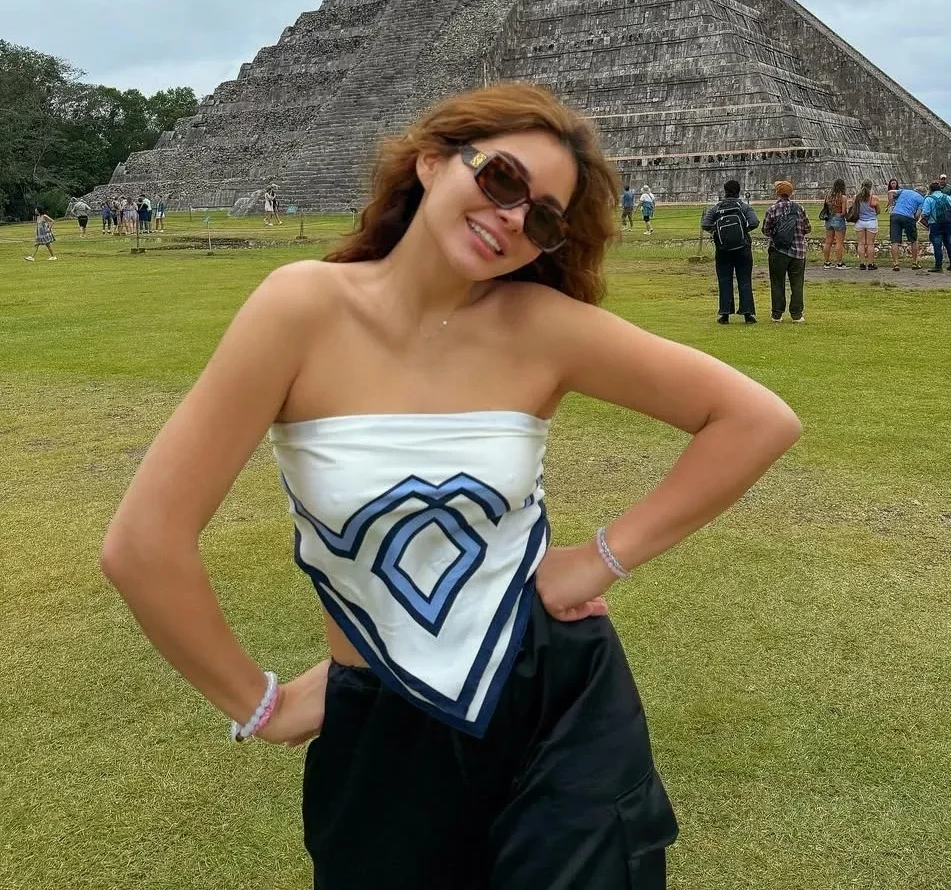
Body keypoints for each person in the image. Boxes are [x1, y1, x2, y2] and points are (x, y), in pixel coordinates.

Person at [101, 83, 801, 890]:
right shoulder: (301, 308)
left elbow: (755, 419)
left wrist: (600, 557)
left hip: (558, 699)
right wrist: (262, 704)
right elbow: (143, 544)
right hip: (380, 716)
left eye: (543, 218)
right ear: (432, 161)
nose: (512, 217)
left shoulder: (542, 326)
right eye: (501, 179)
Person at [700, 179, 759, 324]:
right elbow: (754, 222)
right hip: (743, 248)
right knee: (744, 280)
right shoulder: (744, 207)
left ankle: (725, 314)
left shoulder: (716, 208)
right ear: (738, 192)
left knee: (724, 280)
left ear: (725, 191)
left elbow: (705, 224)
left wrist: (718, 233)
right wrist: (742, 232)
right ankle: (747, 314)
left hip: (723, 249)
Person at [761, 180, 811, 323]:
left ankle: (777, 314)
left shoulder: (772, 209)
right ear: (791, 193)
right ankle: (796, 314)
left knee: (777, 283)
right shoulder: (799, 208)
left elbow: (765, 230)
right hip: (798, 252)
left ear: (777, 193)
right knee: (797, 284)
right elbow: (807, 228)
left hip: (778, 251)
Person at [889, 184, 924, 272]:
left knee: (895, 241)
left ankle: (896, 263)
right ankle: (914, 262)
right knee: (913, 240)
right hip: (908, 217)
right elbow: (917, 215)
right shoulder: (921, 199)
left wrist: (891, 206)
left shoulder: (905, 191)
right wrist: (915, 220)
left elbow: (890, 192)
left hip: (895, 214)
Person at [920, 181, 951, 273]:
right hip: (948, 223)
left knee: (937, 245)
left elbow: (925, 213)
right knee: (949, 244)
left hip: (935, 224)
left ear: (930, 190)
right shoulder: (947, 197)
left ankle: (938, 265)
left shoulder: (929, 199)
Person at [820, 178, 849, 269]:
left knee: (828, 241)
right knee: (839, 242)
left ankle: (827, 262)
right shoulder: (843, 197)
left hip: (829, 219)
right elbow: (844, 212)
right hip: (838, 219)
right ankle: (839, 262)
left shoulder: (828, 196)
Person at [853, 179, 880, 271]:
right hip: (871, 222)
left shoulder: (857, 197)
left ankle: (862, 263)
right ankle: (870, 263)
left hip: (860, 221)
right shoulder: (873, 198)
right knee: (870, 244)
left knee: (861, 243)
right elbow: (878, 211)